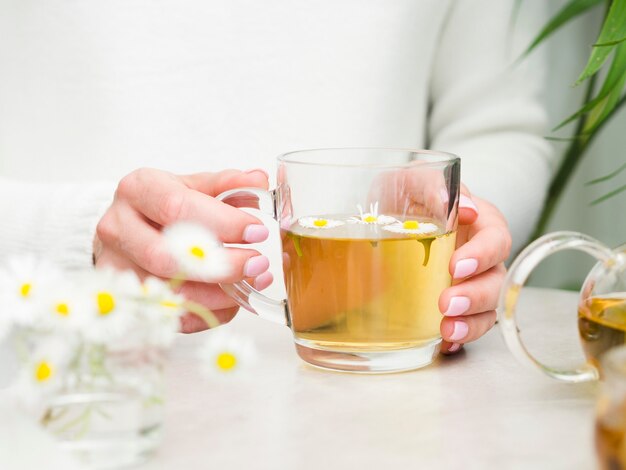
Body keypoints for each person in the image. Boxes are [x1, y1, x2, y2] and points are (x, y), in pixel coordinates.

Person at [0, 0, 553, 354]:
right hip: (46, 365)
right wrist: (76, 235)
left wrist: (462, 230)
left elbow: (503, 125)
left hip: (382, 385)